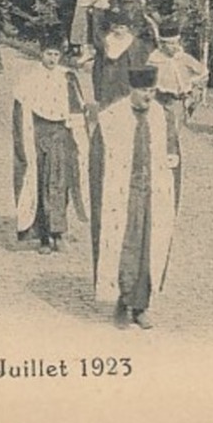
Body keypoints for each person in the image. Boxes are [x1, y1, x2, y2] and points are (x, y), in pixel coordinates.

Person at [89, 65, 179, 329]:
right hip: (122, 192)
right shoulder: (111, 118)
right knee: (123, 245)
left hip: (152, 192)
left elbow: (173, 152)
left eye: (152, 91)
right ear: (132, 90)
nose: (148, 96)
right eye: (143, 91)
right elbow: (97, 160)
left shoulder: (163, 117)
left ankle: (141, 306)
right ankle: (121, 299)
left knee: (149, 248)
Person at [11, 44, 90, 254]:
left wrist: (78, 138)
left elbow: (77, 109)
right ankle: (44, 236)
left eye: (56, 54)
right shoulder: (30, 77)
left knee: (60, 183)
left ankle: (59, 232)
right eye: (49, 54)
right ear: (41, 54)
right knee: (40, 182)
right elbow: (21, 112)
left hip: (61, 135)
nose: (52, 59)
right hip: (38, 134)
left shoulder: (67, 77)